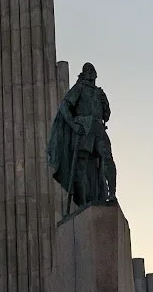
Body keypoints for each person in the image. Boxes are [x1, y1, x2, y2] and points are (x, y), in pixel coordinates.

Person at [47, 62, 117, 210]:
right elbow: (65, 106)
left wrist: (105, 103)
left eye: (93, 70)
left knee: (107, 159)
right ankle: (83, 203)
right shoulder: (79, 88)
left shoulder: (99, 92)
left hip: (98, 128)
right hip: (84, 128)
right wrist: (73, 124)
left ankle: (111, 194)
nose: (91, 73)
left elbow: (107, 115)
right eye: (88, 70)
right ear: (84, 74)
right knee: (81, 166)